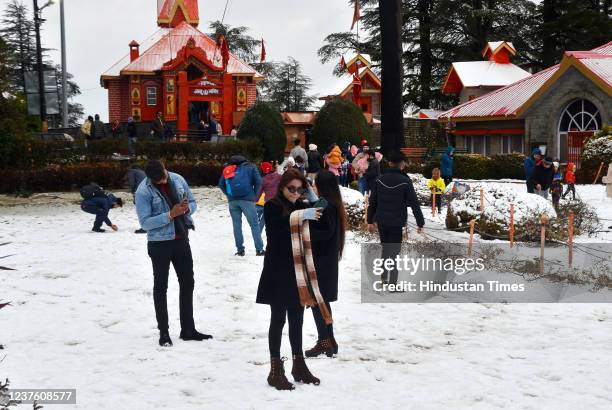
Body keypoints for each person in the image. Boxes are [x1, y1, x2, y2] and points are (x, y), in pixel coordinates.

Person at [256, 169, 323, 390]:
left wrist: (310, 196)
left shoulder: (302, 205)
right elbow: (276, 232)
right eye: (291, 188)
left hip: (297, 272)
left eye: (299, 189)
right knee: (278, 319)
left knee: (297, 319)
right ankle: (275, 369)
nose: (295, 193)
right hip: (278, 270)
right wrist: (301, 216)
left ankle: (298, 364)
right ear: (282, 187)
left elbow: (324, 212)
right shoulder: (272, 206)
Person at [135, 160, 212, 347]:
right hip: (159, 243)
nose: (162, 182)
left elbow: (192, 202)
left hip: (181, 239)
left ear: (165, 169)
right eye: (158, 181)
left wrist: (187, 209)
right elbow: (145, 223)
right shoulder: (143, 191)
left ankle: (188, 329)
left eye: (164, 178)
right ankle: (164, 332)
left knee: (188, 283)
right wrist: (170, 214)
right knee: (161, 287)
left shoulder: (177, 179)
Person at [304, 170, 346, 359]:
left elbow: (325, 231)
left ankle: (324, 341)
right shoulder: (332, 203)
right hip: (326, 260)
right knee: (322, 301)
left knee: (317, 301)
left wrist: (305, 233)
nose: (314, 186)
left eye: (315, 183)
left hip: (320, 261)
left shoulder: (326, 205)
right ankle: (329, 340)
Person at [367, 152, 425, 285]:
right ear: (402, 164)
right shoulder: (405, 181)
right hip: (396, 221)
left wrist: (370, 221)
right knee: (394, 252)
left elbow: (373, 202)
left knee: (386, 248)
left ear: (389, 163)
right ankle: (392, 282)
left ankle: (383, 277)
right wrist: (420, 222)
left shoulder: (379, 179)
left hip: (381, 220)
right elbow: (414, 203)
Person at [218, 155, 265, 256]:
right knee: (254, 224)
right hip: (248, 200)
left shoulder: (228, 169)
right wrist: (255, 195)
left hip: (232, 201)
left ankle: (240, 250)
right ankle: (259, 249)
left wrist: (229, 194)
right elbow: (259, 182)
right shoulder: (251, 167)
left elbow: (221, 184)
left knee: (236, 225)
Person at [256, 161, 281, 232]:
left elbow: (259, 192)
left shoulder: (264, 179)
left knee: (264, 218)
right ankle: (275, 231)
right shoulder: (278, 176)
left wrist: (255, 200)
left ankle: (259, 232)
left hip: (268, 202)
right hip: (278, 200)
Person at [127, 164, 147, 234]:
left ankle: (144, 227)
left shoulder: (132, 171)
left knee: (141, 210)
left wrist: (132, 191)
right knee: (146, 209)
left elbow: (132, 182)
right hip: (146, 191)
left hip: (139, 191)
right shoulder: (143, 172)